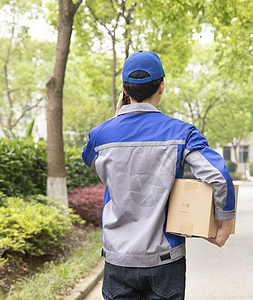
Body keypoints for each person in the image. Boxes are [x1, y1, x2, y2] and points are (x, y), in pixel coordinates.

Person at [82, 50, 235, 300]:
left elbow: (89, 158)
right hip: (165, 260)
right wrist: (224, 222)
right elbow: (218, 175)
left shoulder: (101, 135)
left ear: (124, 90)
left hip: (118, 260)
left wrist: (116, 119)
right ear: (162, 87)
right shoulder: (182, 133)